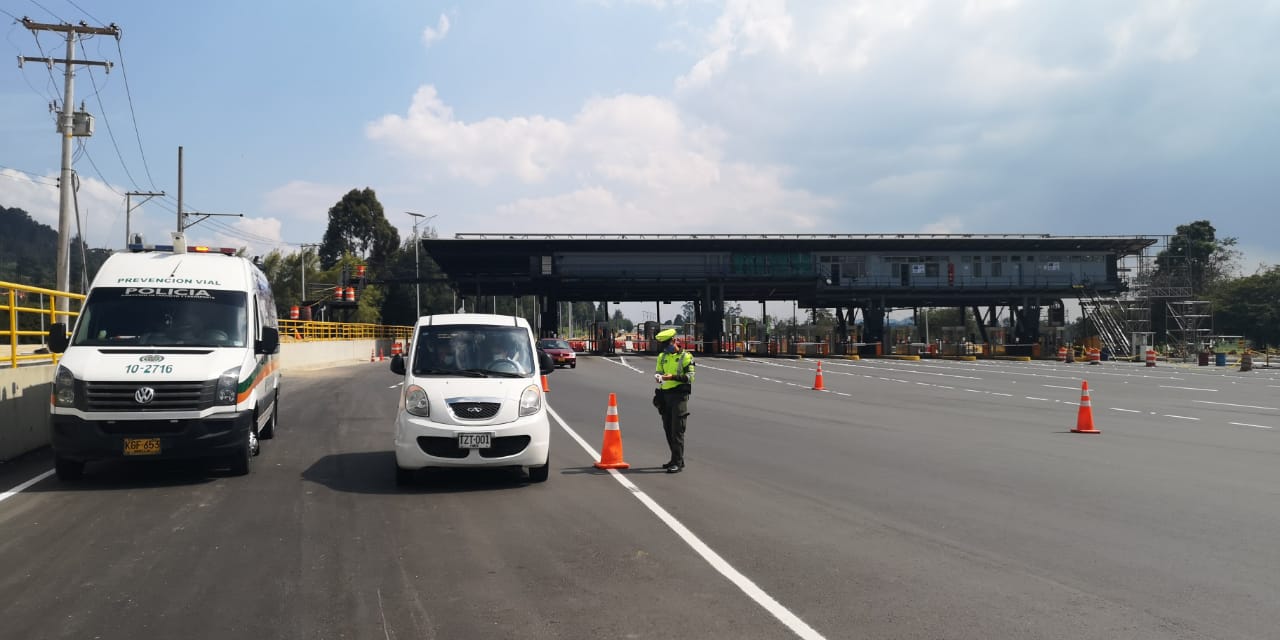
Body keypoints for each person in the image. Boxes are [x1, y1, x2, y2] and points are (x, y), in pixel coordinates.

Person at [653, 328, 695, 473]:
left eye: (667, 344)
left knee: (677, 430)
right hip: (665, 395)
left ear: (674, 341)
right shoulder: (662, 357)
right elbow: (658, 371)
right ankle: (676, 459)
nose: (665, 348)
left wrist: (673, 377)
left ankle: (677, 462)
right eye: (663, 346)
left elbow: (690, 377)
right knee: (668, 429)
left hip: (679, 397)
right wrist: (658, 377)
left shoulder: (686, 357)